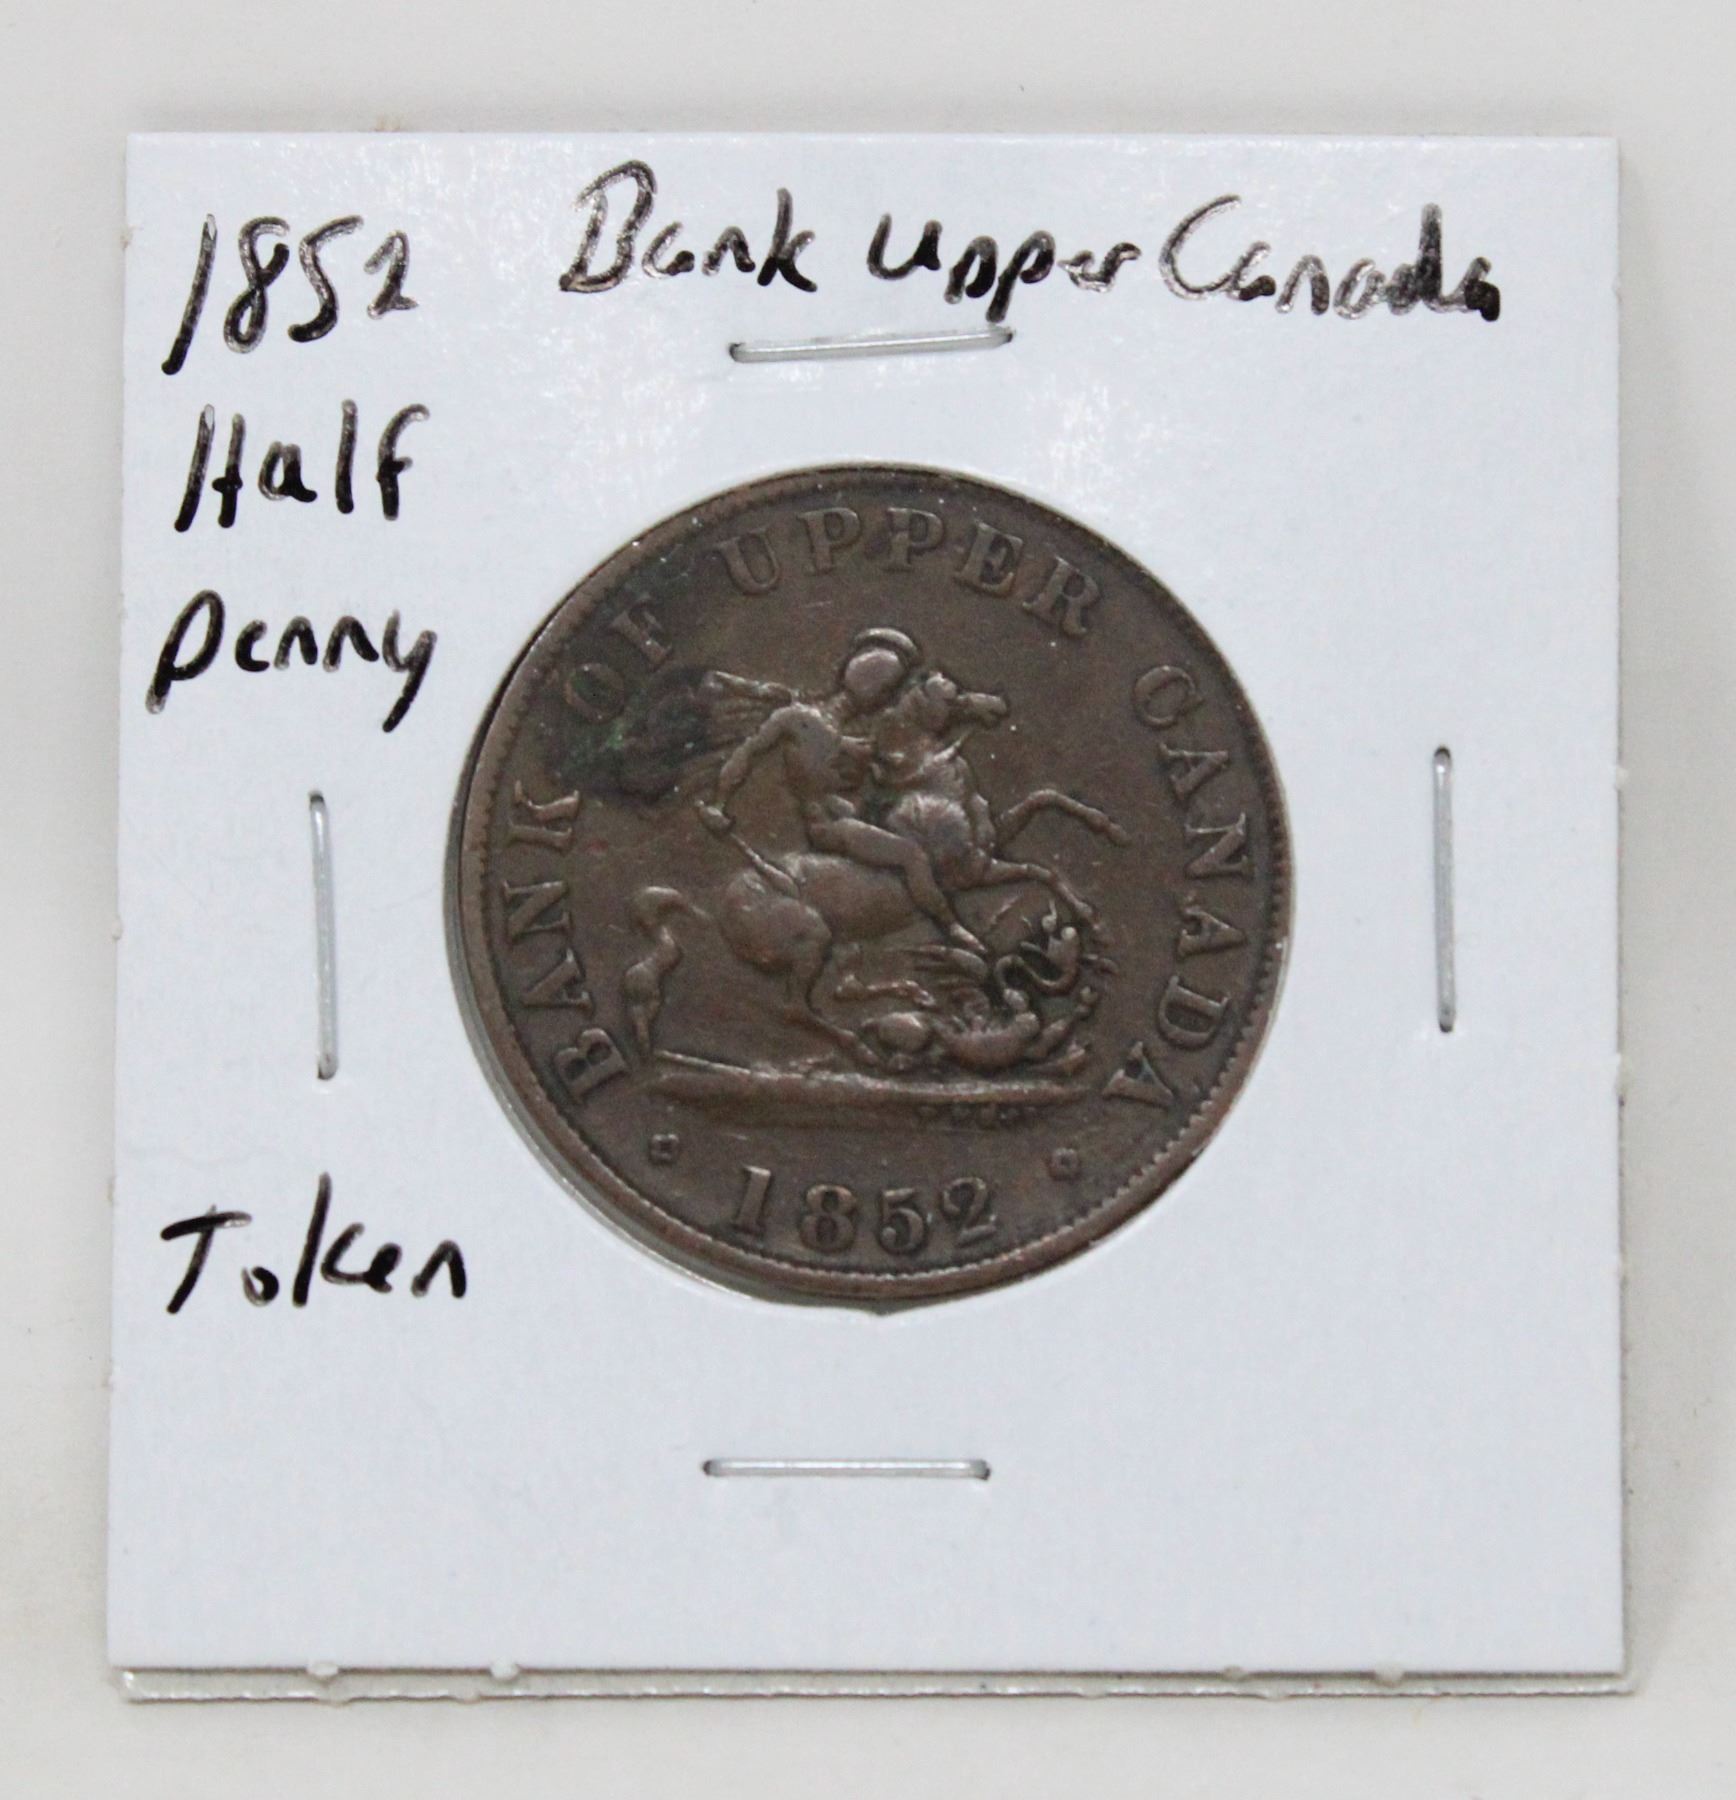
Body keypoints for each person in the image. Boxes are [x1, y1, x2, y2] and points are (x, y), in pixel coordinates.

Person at [697, 628, 983, 950]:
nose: (888, 700)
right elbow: (747, 754)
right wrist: (718, 803)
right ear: (875, 691)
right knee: (911, 856)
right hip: (829, 826)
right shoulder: (802, 722)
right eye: (888, 691)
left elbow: (752, 748)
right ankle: (952, 926)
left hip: (850, 814)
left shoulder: (823, 725)